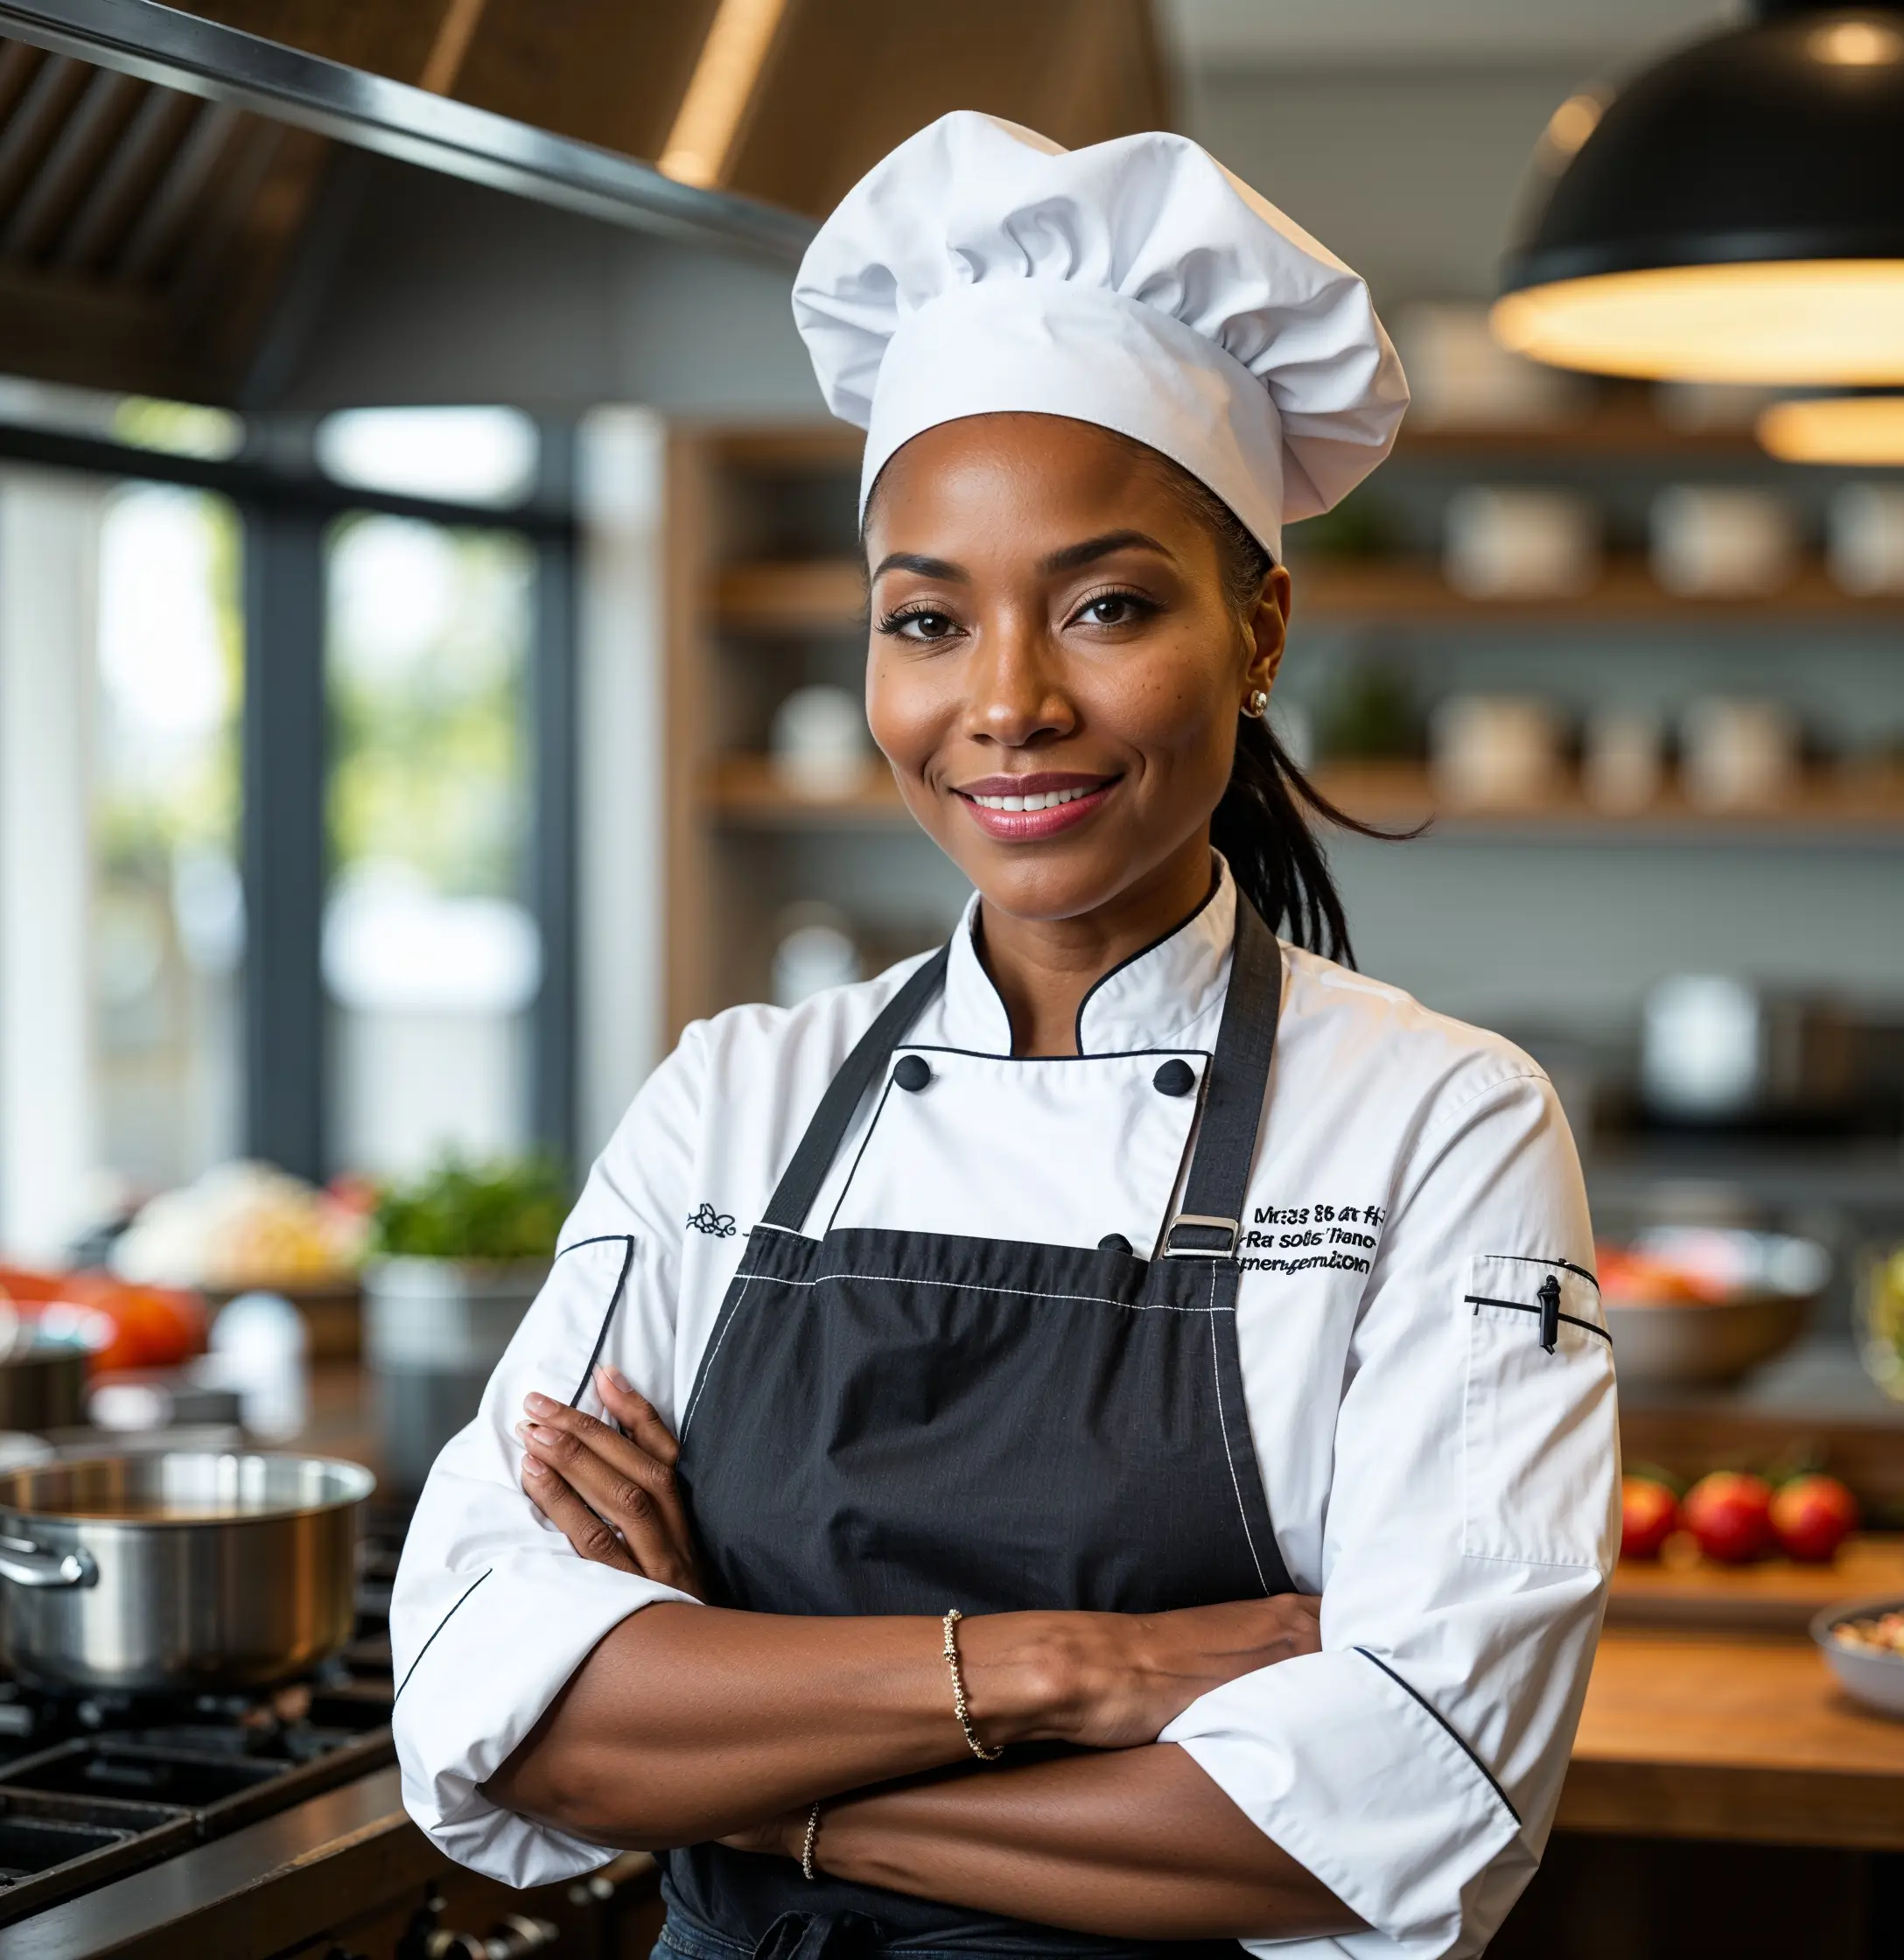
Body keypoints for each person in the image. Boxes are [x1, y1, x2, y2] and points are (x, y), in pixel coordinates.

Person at [391, 112, 1618, 1960]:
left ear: (1258, 625)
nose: (1008, 703)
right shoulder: (733, 1100)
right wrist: (1068, 1670)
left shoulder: (1441, 1125)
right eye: (925, 621)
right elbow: (494, 1708)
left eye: (1107, 605)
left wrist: (753, 1752)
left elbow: (1406, 1814)